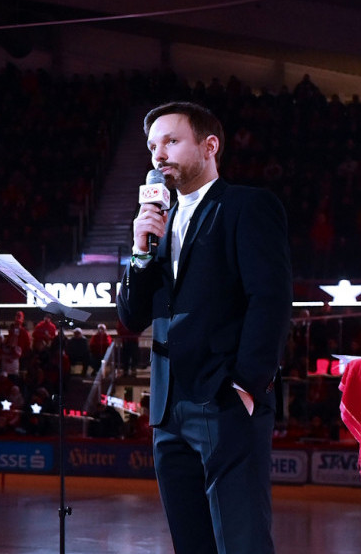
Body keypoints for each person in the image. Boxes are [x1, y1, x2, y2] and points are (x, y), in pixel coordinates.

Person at [117, 101, 291, 554]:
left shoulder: (247, 206)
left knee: (241, 542)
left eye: (171, 141)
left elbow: (269, 300)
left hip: (225, 401)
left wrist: (247, 385)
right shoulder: (156, 222)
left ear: (209, 146)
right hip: (168, 409)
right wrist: (139, 251)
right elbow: (132, 316)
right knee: (191, 544)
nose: (159, 154)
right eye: (153, 145)